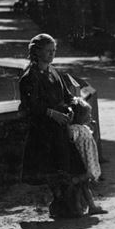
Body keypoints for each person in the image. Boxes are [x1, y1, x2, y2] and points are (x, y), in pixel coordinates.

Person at [18, 33, 104, 218]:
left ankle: (74, 206)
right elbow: (31, 105)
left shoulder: (53, 71)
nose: (51, 55)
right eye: (48, 51)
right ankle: (62, 207)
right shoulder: (29, 76)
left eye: (54, 51)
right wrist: (51, 113)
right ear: (37, 51)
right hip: (43, 130)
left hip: (60, 128)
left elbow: (67, 95)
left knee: (71, 165)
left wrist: (72, 106)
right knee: (54, 170)